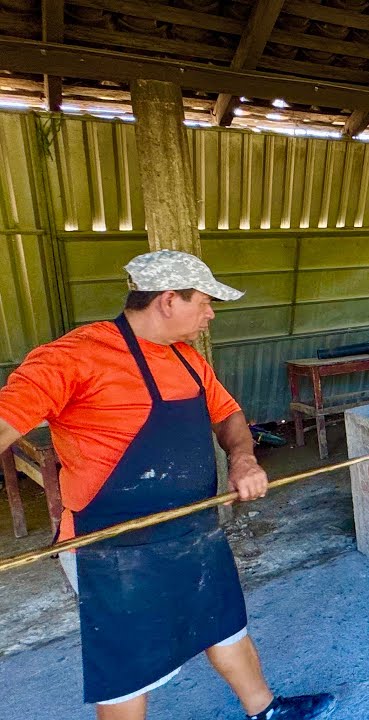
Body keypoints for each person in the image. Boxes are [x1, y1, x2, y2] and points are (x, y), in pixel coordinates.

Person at [0, 251, 334, 720]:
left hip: (194, 526)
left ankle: (265, 710)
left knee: (224, 625)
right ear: (169, 299)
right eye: (204, 301)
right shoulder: (72, 357)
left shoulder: (188, 360)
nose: (211, 313)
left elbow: (228, 413)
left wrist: (241, 459)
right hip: (113, 546)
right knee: (130, 667)